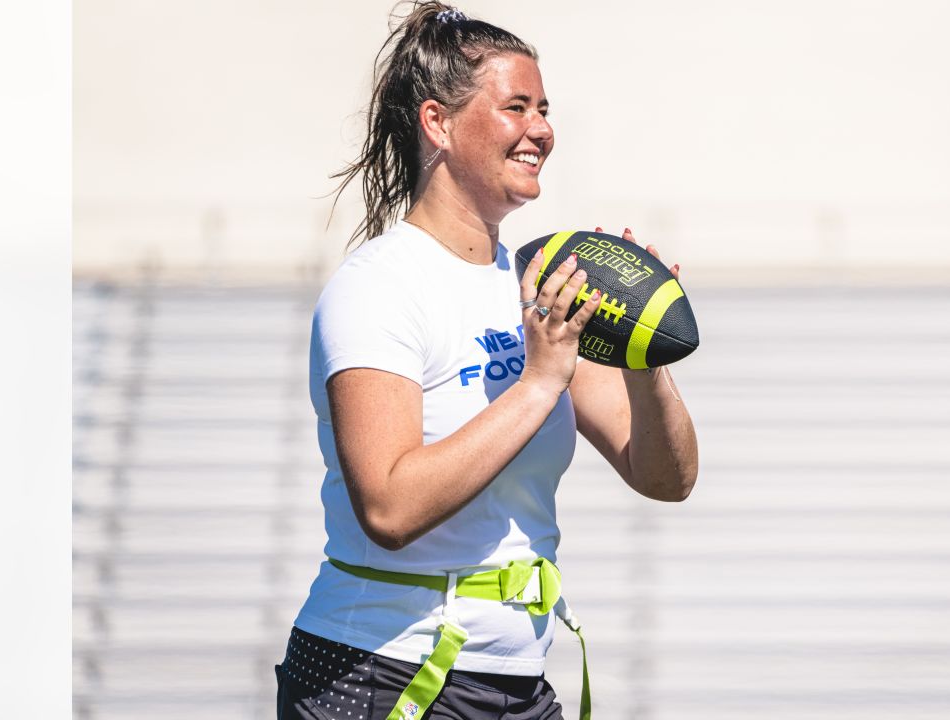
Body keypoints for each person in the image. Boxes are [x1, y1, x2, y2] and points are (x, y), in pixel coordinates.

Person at [275, 3, 699, 719]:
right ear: (438, 123)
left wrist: (641, 356)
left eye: (545, 109)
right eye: (516, 107)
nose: (542, 130)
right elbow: (388, 506)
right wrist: (538, 383)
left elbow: (666, 477)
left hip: (516, 683)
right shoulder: (378, 286)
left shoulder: (539, 285)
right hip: (382, 672)